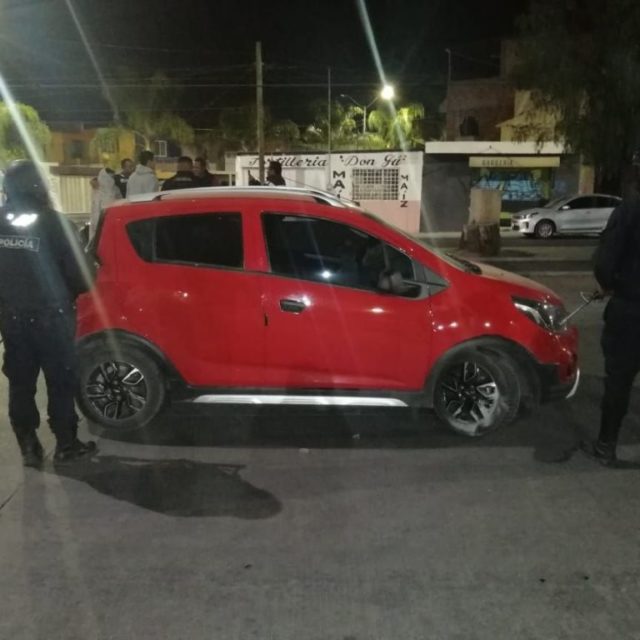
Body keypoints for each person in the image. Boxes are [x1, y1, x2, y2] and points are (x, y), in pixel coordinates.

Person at [0, 160, 97, 466]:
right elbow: (83, 278)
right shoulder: (57, 225)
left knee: (20, 383)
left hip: (12, 319)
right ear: (38, 185)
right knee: (60, 381)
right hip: (53, 318)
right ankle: (66, 443)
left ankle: (28, 446)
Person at [582, 153, 640, 465]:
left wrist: (612, 284)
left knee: (619, 382)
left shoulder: (630, 210)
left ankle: (607, 445)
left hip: (631, 311)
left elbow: (605, 264)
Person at [89, 167, 120, 239]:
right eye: (110, 176)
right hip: (101, 225)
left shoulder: (115, 189)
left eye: (113, 177)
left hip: (112, 223)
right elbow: (96, 212)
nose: (112, 179)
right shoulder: (97, 191)